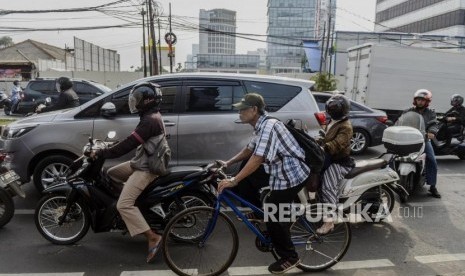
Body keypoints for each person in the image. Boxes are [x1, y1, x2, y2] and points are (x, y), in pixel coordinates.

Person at [218, 93, 310, 274]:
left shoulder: (268, 126)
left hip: (292, 175)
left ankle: (290, 256)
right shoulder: (260, 126)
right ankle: (263, 213)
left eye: (243, 109)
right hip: (278, 173)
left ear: (254, 110)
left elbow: (258, 158)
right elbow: (250, 149)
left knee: (274, 212)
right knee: (247, 172)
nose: (239, 113)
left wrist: (234, 180)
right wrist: (228, 163)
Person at [89, 82, 165, 263]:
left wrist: (103, 152)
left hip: (147, 167)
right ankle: (135, 206)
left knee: (123, 205)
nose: (134, 103)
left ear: (147, 100)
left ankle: (152, 236)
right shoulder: (149, 116)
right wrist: (106, 145)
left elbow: (129, 144)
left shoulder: (149, 121)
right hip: (142, 160)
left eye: (137, 99)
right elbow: (131, 139)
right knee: (111, 174)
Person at [316, 94, 355, 235]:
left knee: (327, 187)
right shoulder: (331, 121)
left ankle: (329, 222)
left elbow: (338, 143)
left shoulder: (346, 126)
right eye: (331, 107)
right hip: (328, 158)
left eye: (335, 108)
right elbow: (326, 137)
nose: (333, 110)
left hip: (339, 162)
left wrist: (323, 147)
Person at [402, 89, 441, 198]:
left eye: (422, 100)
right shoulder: (408, 111)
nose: (420, 102)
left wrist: (432, 132)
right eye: (418, 99)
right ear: (415, 100)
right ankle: (390, 180)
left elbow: (434, 124)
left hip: (423, 140)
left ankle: (432, 186)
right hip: (407, 139)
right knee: (391, 155)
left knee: (432, 159)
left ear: (427, 101)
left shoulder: (431, 113)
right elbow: (400, 121)